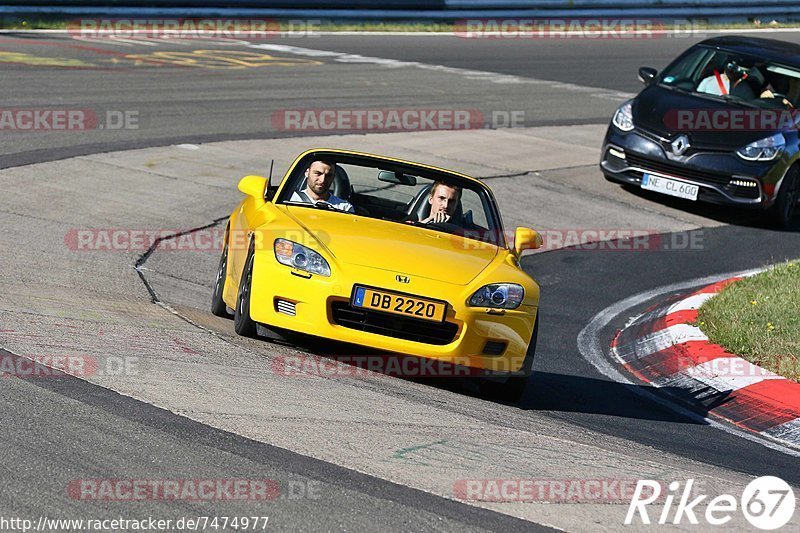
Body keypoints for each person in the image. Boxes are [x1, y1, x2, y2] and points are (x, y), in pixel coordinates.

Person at [290, 160, 354, 213]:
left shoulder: (344, 208)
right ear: (307, 172)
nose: (322, 180)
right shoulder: (290, 200)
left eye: (328, 175)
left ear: (333, 177)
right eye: (318, 173)